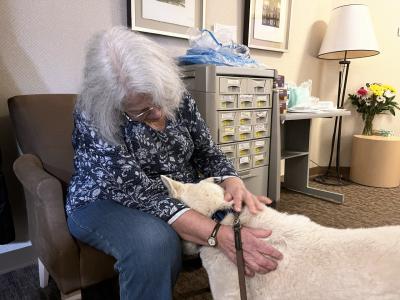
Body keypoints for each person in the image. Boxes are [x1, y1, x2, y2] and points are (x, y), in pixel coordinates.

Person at [66, 26, 283, 300]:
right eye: (141, 112)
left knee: (251, 216)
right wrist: (216, 233)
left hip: (179, 191)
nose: (157, 113)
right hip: (108, 199)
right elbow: (143, 195)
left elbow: (207, 150)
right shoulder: (94, 115)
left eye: (159, 101)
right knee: (153, 243)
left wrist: (232, 180)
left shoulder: (170, 94)